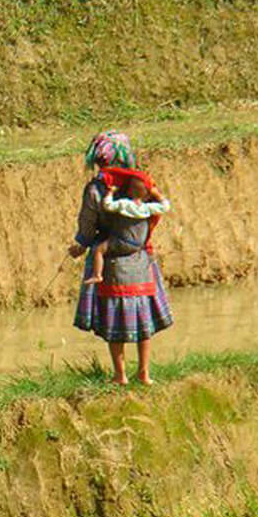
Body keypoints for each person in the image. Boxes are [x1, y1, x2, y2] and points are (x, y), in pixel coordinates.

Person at [69, 131, 173, 385]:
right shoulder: (142, 185)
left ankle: (120, 375)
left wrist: (80, 245)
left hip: (111, 261)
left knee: (115, 322)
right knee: (143, 322)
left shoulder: (97, 189)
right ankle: (144, 373)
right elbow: (156, 210)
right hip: (140, 259)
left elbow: (88, 223)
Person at [83, 172, 171, 285]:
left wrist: (111, 192)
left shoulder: (124, 204)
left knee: (99, 250)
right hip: (139, 245)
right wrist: (157, 194)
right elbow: (165, 206)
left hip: (122, 242)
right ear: (147, 195)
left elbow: (108, 205)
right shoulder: (147, 208)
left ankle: (97, 275)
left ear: (129, 191)